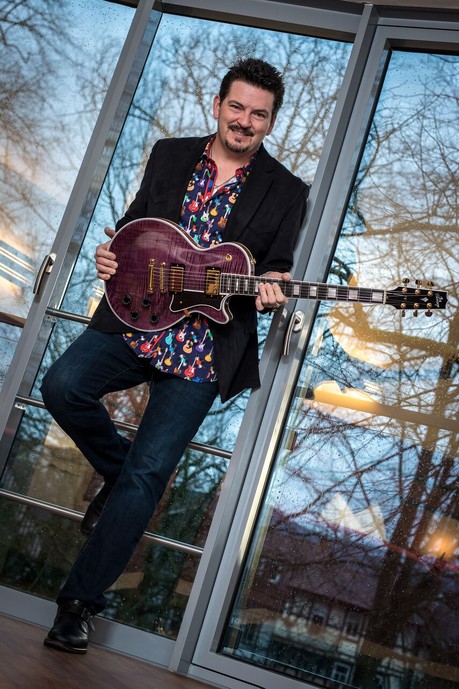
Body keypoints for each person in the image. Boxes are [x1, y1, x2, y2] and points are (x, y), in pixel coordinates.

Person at [41, 57, 309, 653]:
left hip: (204, 346)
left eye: (258, 114)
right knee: (62, 386)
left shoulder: (288, 191)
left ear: (270, 123)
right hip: (135, 316)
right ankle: (117, 470)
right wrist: (110, 255)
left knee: (151, 473)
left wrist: (273, 287)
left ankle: (78, 605)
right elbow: (132, 226)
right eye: (236, 107)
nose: (244, 121)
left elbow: (277, 266)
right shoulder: (169, 154)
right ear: (218, 105)